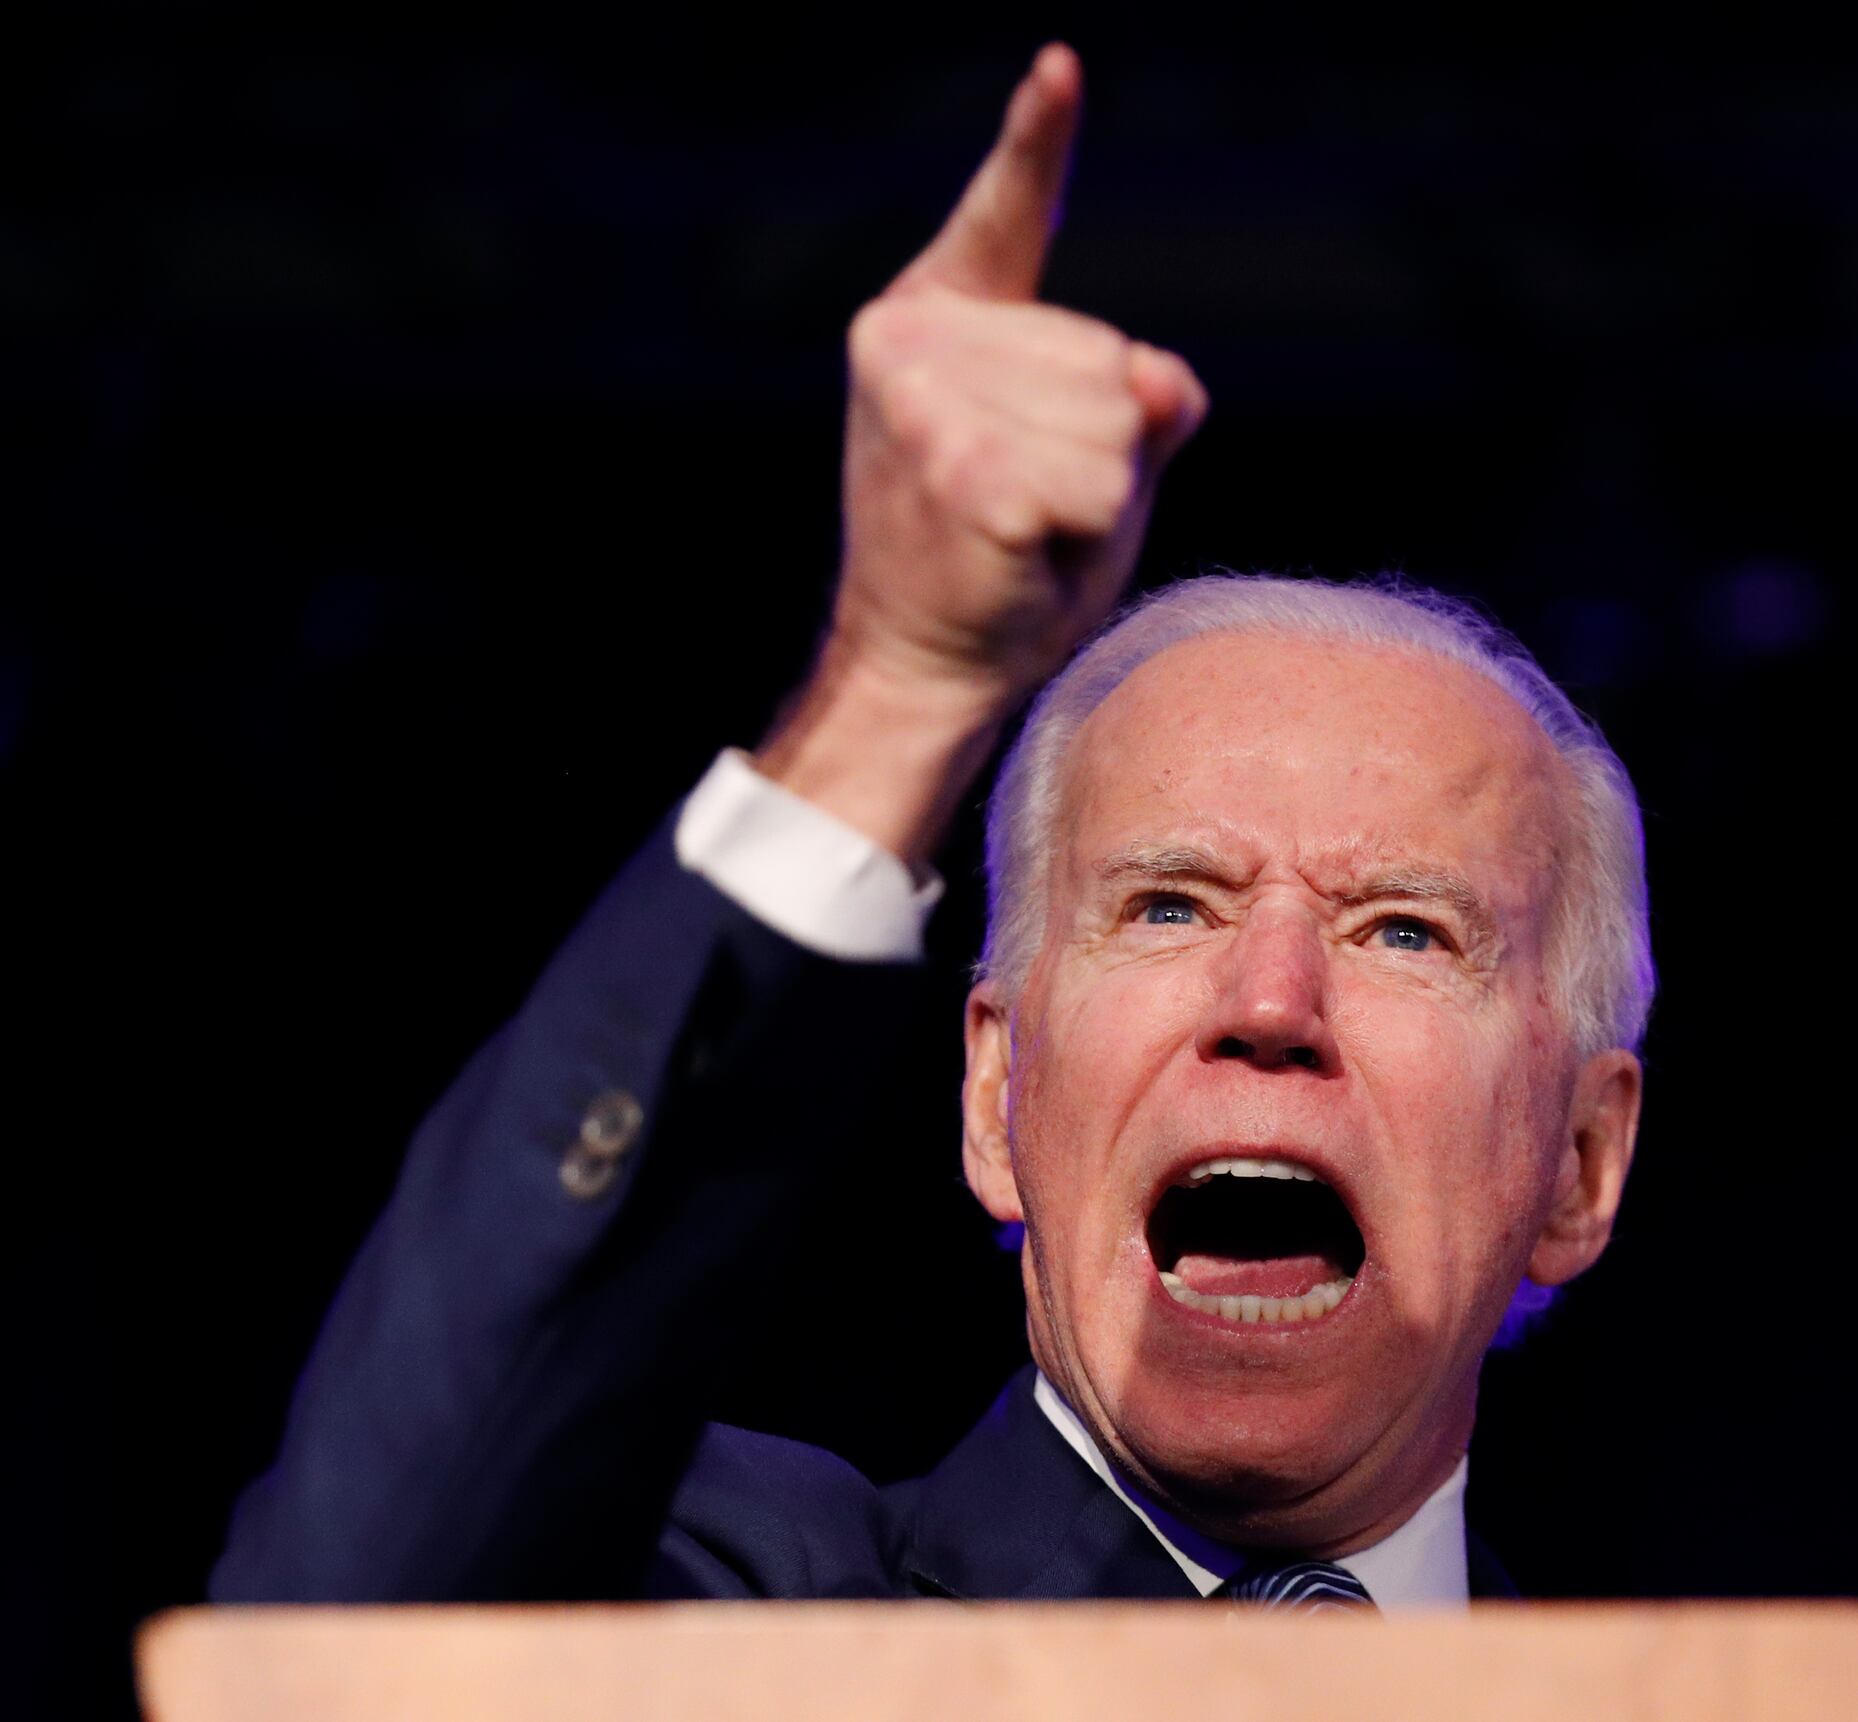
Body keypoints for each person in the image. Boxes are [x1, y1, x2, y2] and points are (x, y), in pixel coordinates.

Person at [212, 43, 1648, 1611]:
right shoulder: (725, 1607)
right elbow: (355, 1609)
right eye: (1168, 905)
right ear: (992, 1090)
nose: (1269, 1004)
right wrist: (900, 685)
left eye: (1403, 929)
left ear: (1579, 1163)